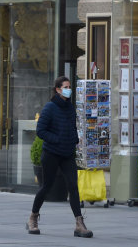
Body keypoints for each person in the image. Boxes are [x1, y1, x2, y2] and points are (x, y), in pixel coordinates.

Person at [26, 76, 92, 238]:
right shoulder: (50, 107)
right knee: (46, 187)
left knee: (73, 187)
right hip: (51, 154)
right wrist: (57, 139)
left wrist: (75, 139)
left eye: (69, 86)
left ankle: (79, 223)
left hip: (67, 154)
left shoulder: (69, 107)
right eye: (65, 87)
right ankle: (33, 217)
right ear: (58, 89)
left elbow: (71, 127)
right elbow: (41, 131)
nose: (68, 89)